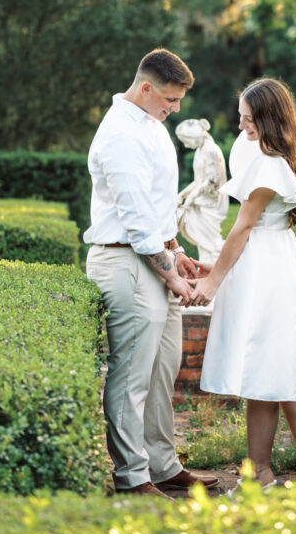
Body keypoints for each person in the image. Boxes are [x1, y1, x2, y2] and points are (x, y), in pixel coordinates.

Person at [84, 48, 218, 498]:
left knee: (163, 370)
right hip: (126, 263)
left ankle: (162, 464)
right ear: (145, 88)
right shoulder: (120, 134)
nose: (176, 109)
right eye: (171, 100)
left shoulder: (151, 126)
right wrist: (174, 278)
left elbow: (159, 209)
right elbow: (137, 222)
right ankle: (132, 478)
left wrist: (177, 250)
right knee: (132, 375)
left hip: (154, 259)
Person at [191, 77, 296, 488]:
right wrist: (216, 267)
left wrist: (214, 282)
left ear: (269, 119)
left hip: (265, 267)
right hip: (271, 260)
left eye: (249, 120)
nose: (242, 128)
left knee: (267, 366)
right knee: (274, 368)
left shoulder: (270, 165)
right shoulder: (281, 157)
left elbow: (242, 229)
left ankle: (271, 473)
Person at [175, 117, 228, 265]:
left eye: (185, 140)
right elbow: (199, 180)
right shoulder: (201, 149)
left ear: (194, 137)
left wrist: (190, 199)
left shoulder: (210, 150)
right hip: (202, 201)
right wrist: (182, 194)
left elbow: (212, 181)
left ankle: (217, 274)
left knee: (211, 243)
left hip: (210, 204)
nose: (185, 144)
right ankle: (206, 272)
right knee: (204, 244)